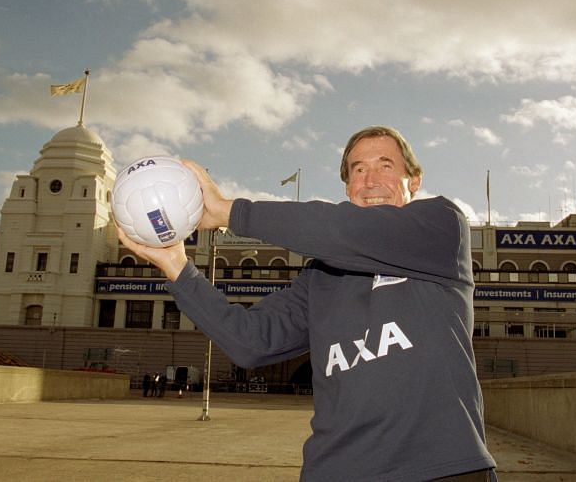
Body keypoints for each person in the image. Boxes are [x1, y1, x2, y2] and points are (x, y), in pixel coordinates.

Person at [117, 126, 497, 481]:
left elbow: (343, 230)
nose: (370, 181)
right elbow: (249, 341)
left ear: (413, 180)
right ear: (348, 189)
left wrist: (230, 211)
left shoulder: (441, 227)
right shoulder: (319, 277)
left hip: (442, 469)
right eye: (357, 170)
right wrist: (178, 268)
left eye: (386, 166)